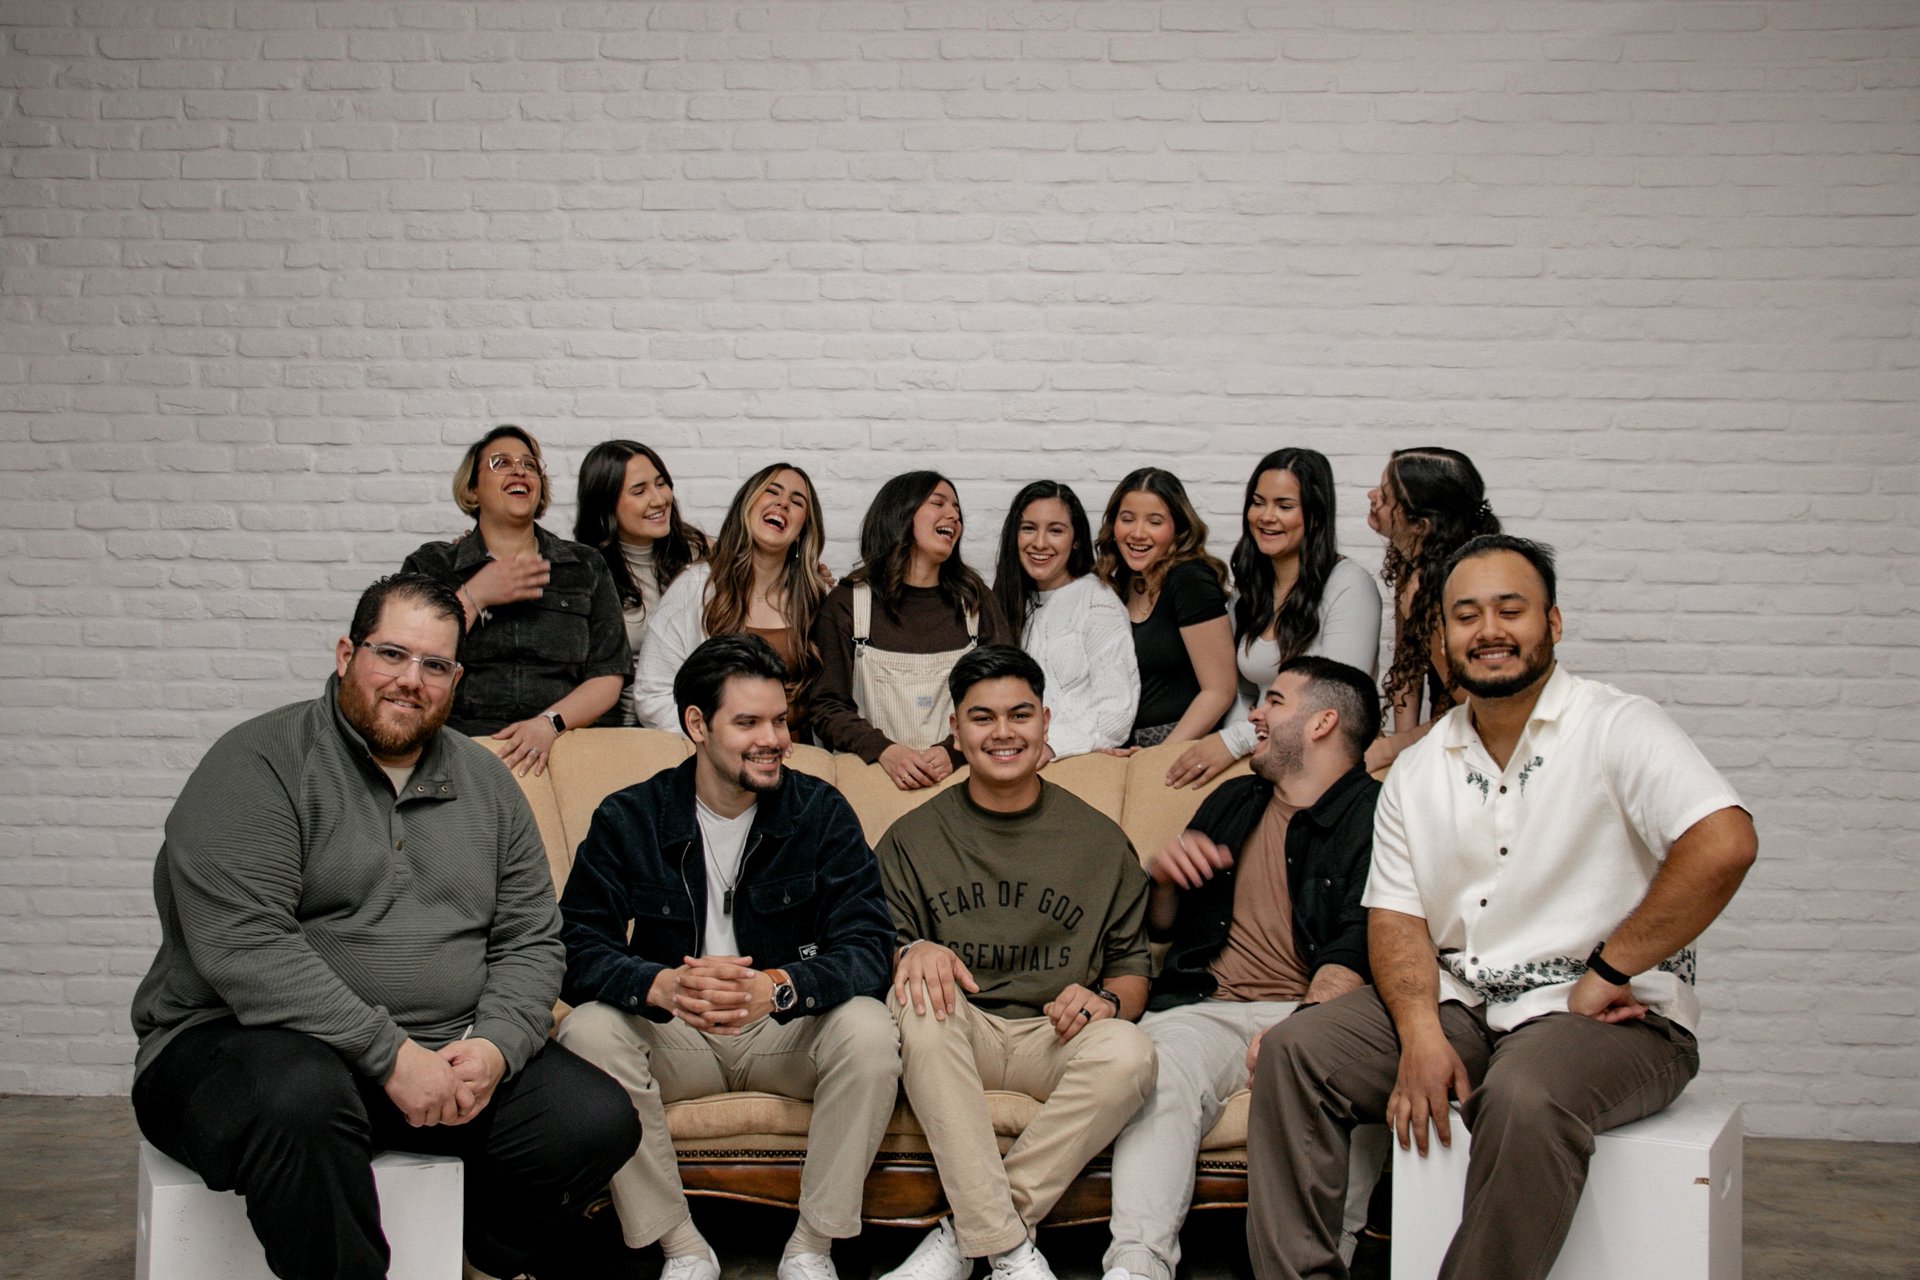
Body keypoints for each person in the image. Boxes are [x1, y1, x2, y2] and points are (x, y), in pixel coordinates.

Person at [1246, 535, 1758, 1280]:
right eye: (1466, 615)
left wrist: (1613, 965)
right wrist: (1420, 1033)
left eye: (1509, 609)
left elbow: (1724, 842)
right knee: (1299, 1053)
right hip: (1464, 1003)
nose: (1488, 630)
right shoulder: (1418, 769)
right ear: (1443, 641)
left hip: (1606, 1020)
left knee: (1525, 1094)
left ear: (1551, 623)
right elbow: (1395, 918)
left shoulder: (1618, 726)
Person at [129, 572, 636, 1280]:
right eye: (391, 655)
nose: (411, 680)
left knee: (595, 1118)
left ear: (455, 679)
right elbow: (246, 947)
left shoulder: (487, 784)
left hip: (440, 1055)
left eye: (434, 665)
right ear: (346, 655)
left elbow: (529, 938)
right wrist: (390, 1055)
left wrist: (492, 1047)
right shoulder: (258, 763)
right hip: (240, 1048)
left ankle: (481, 1255)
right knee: (302, 1098)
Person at [556, 634, 899, 1280]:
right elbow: (574, 947)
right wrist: (657, 985)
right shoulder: (630, 817)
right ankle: (681, 1245)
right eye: (748, 723)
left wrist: (778, 986)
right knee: (585, 1031)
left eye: (778, 719)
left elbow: (870, 948)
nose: (773, 738)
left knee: (870, 1029)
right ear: (696, 724)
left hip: (782, 1034)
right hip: (677, 1037)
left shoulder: (820, 812)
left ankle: (812, 1246)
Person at [875, 645, 1157, 1280]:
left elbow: (1132, 972)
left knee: (1133, 1054)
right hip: (959, 1032)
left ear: (1046, 723)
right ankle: (1007, 1252)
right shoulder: (912, 838)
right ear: (954, 730)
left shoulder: (1100, 840)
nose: (1002, 733)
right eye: (982, 718)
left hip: (1054, 1038)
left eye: (1019, 715)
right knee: (916, 1002)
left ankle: (966, 1237)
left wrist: (1105, 1002)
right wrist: (910, 949)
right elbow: (869, 950)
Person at [1104, 656, 1382, 1280]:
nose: (1254, 713)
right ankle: (1136, 1266)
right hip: (1211, 1007)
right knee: (1162, 1059)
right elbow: (1162, 929)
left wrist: (1304, 1030)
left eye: (1274, 701)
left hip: (1318, 1013)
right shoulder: (1233, 798)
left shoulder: (1379, 817)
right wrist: (1165, 877)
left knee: (1352, 1079)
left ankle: (1318, 1265)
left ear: (1322, 723)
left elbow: (1364, 942)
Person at [402, 424, 630, 776]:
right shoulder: (432, 565)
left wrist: (548, 724)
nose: (520, 470)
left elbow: (608, 675)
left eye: (529, 464)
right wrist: (475, 594)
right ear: (473, 488)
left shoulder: (584, 565)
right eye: (500, 463)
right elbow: (410, 656)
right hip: (462, 748)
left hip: (564, 745)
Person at [1165, 449, 1383, 788]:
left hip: (1320, 767)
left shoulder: (1350, 585)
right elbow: (1241, 692)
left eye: (1284, 506)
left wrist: (1234, 742)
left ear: (1314, 515)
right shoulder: (1250, 588)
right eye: (1258, 502)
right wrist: (1232, 756)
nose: (1266, 516)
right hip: (1262, 756)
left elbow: (1335, 700)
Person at [810, 471, 1016, 790]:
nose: (954, 515)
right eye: (938, 503)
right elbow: (826, 706)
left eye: (957, 510)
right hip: (873, 781)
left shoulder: (975, 601)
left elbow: (1005, 695)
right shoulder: (848, 603)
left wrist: (954, 751)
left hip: (961, 782)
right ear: (900, 514)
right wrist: (883, 750)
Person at [633, 462, 828, 740]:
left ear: (803, 530)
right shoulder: (696, 586)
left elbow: (832, 702)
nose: (783, 503)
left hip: (797, 761)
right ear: (746, 505)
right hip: (714, 763)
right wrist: (712, 743)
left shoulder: (816, 599)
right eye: (772, 492)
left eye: (797, 502)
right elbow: (652, 695)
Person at [1361, 446, 1500, 774]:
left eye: (1384, 494)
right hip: (1447, 729)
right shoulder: (1413, 570)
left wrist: (1392, 748)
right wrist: (1398, 749)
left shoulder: (1447, 591)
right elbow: (1406, 673)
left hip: (1484, 742)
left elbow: (1475, 711)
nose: (1372, 496)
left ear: (1420, 525)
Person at [991, 480, 1139, 759]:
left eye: (1055, 530)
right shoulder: (1006, 602)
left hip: (1071, 762)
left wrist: (1049, 746)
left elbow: (1116, 713)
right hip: (1010, 758)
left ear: (1076, 540)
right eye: (1028, 528)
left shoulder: (1097, 600)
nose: (1040, 543)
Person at [1095, 468, 1236, 749]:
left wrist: (1161, 756)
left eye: (1154, 522)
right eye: (1127, 519)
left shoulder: (1189, 579)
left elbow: (1219, 691)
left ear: (1178, 528)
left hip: (1178, 748)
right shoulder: (1122, 583)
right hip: (1122, 748)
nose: (1137, 533)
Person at [573, 439, 710, 726]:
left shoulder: (699, 552)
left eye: (661, 484)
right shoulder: (585, 571)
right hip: (620, 732)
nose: (659, 499)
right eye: (639, 491)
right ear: (605, 505)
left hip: (691, 723)